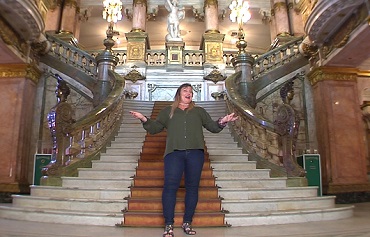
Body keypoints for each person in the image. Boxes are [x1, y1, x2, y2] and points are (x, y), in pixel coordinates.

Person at [129, 83, 238, 237]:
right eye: (185, 90)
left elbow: (213, 127)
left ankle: (187, 222)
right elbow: (154, 128)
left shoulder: (199, 111)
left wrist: (223, 121)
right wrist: (143, 118)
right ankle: (168, 225)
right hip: (174, 154)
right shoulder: (168, 111)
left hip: (195, 154)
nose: (189, 93)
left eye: (191, 91)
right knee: (170, 188)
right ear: (178, 94)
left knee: (192, 188)